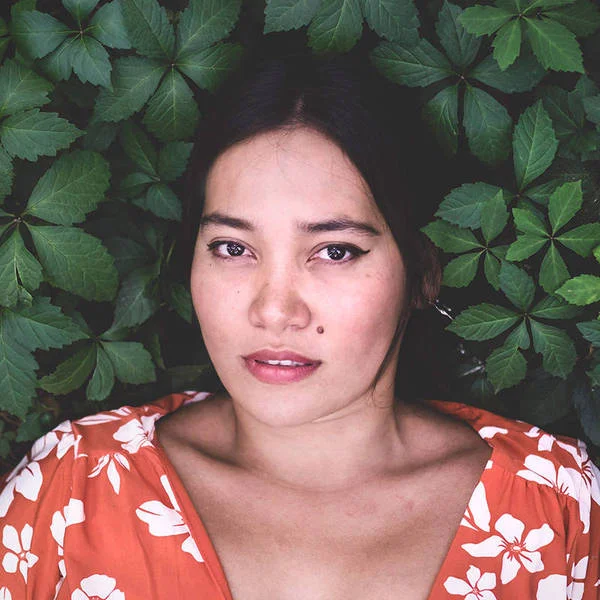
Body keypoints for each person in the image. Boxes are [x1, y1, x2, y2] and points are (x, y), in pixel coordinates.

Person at [1, 48, 598, 600]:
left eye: (334, 251)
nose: (274, 311)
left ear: (423, 273)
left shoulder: (556, 507)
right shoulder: (72, 491)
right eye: (233, 248)